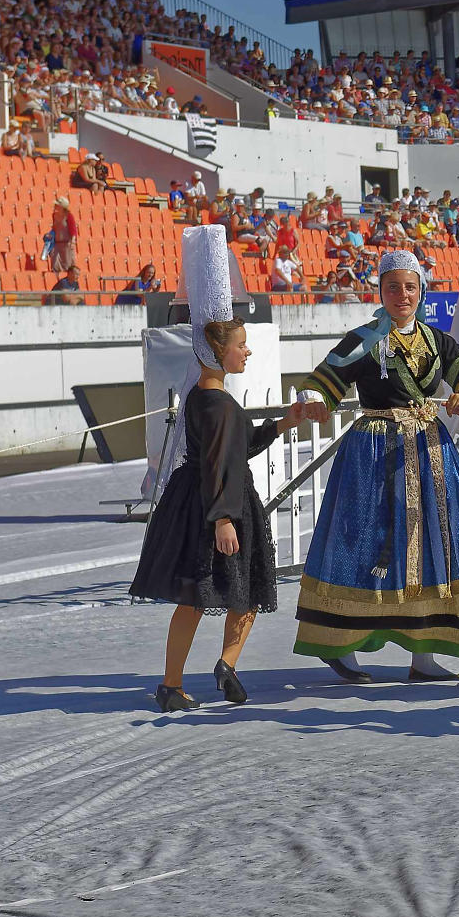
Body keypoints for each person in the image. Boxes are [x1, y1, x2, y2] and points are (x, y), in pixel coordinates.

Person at [289, 251, 459, 682]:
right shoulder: (363, 338)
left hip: (428, 450)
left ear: (421, 291)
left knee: (434, 543)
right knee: (363, 541)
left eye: (409, 286)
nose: (402, 294)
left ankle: (424, 656)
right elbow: (324, 380)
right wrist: (315, 401)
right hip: (373, 454)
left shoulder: (435, 340)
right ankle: (341, 645)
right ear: (381, 292)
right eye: (393, 286)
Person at [129, 226, 299, 711]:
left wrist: (284, 422)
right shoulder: (219, 404)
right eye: (240, 345)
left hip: (201, 501)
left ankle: (179, 679)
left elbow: (232, 449)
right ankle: (219, 666)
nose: (247, 351)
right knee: (240, 592)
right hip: (222, 505)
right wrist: (223, 517)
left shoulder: (207, 399)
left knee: (202, 597)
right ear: (217, 348)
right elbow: (222, 461)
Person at [49, 196, 77, 273]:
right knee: (55, 266)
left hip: (66, 243)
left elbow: (73, 229)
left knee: (67, 266)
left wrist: (73, 241)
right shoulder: (54, 215)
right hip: (57, 244)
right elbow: (55, 228)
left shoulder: (69, 216)